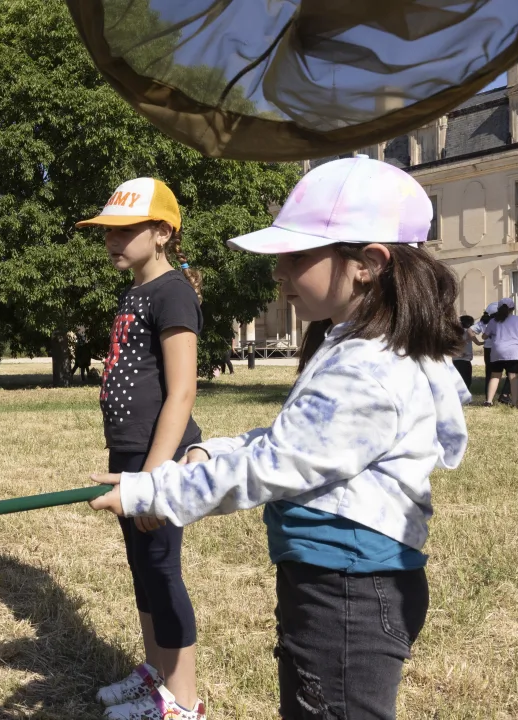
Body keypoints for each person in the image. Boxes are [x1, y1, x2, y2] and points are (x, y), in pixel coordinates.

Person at [89, 156, 468, 720]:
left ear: (367, 263)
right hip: (329, 577)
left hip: (350, 591)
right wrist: (209, 450)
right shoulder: (355, 349)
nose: (278, 273)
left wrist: (155, 492)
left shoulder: (368, 368)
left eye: (294, 257)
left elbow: (277, 464)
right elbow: (293, 439)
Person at [74, 178, 206, 720]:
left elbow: (182, 389)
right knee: (141, 567)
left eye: (126, 230)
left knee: (163, 569)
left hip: (160, 457)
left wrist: (153, 479)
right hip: (129, 453)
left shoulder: (173, 291)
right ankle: (156, 676)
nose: (113, 240)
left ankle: (185, 701)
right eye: (108, 231)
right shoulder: (135, 291)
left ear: (162, 232)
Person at [480, 299, 518, 407]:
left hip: (497, 351)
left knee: (495, 376)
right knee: (514, 377)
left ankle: (488, 401)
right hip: (514, 352)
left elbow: (484, 336)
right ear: (513, 309)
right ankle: (514, 403)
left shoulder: (493, 321)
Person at [454, 315, 476, 393]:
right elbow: (474, 339)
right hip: (464, 359)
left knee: (456, 378)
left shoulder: (455, 331)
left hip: (455, 359)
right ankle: (464, 393)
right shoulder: (468, 331)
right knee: (466, 379)